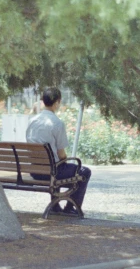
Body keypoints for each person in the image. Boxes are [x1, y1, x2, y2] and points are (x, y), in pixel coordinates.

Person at [25, 87, 91, 216]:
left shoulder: (32, 121)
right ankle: (71, 207)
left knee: (56, 165)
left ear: (43, 102)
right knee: (84, 172)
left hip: (36, 171)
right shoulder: (57, 123)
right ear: (56, 103)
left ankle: (55, 205)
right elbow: (62, 155)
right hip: (51, 172)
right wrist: (64, 160)